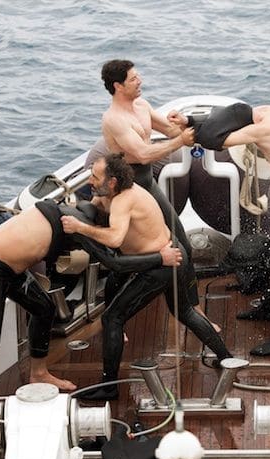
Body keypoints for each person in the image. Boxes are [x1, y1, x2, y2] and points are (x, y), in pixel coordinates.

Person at [0, 195, 183, 407]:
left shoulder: (78, 209)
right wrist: (160, 258)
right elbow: (115, 263)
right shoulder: (80, 227)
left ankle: (38, 374)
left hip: (10, 267)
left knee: (44, 308)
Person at [61, 153, 231, 400]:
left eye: (95, 177)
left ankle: (109, 387)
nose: (90, 181)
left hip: (162, 265)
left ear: (112, 182)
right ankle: (226, 358)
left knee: (112, 318)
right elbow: (96, 206)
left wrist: (80, 228)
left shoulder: (125, 200)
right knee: (184, 312)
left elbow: (115, 239)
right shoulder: (111, 193)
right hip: (173, 253)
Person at [172, 104, 270, 356]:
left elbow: (215, 140)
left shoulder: (263, 129)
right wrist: (189, 119)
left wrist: (187, 133)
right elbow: (225, 115)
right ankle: (269, 307)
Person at [100, 59, 216, 329]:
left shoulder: (142, 106)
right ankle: (112, 320)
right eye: (132, 79)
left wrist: (182, 124)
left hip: (147, 184)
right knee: (125, 259)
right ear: (118, 86)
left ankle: (193, 308)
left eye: (137, 76)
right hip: (127, 191)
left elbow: (171, 130)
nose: (139, 81)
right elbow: (142, 153)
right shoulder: (114, 120)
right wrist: (179, 142)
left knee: (182, 244)